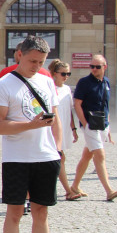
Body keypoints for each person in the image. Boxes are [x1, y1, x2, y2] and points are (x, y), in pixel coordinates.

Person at [0, 35, 64, 233]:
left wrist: (59, 147)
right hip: (17, 158)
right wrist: (31, 125)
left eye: (41, 61)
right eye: (33, 60)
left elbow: (56, 118)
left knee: (42, 213)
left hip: (46, 156)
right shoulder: (3, 84)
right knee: (15, 213)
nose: (36, 65)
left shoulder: (46, 81)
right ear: (19, 55)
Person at [71, 55, 117, 201]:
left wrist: (109, 126)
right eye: (91, 66)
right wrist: (84, 124)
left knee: (87, 155)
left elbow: (106, 106)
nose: (94, 69)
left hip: (103, 124)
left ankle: (74, 186)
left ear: (104, 67)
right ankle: (109, 190)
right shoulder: (84, 82)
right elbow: (77, 104)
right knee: (100, 155)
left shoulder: (106, 82)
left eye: (97, 66)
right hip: (90, 124)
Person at [48, 59, 80, 200]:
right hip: (53, 128)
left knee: (59, 158)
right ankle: (68, 191)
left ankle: (60, 189)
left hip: (65, 127)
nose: (66, 76)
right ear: (55, 73)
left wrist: (73, 128)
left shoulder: (67, 89)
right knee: (59, 158)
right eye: (63, 74)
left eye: (68, 73)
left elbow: (69, 110)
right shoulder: (49, 87)